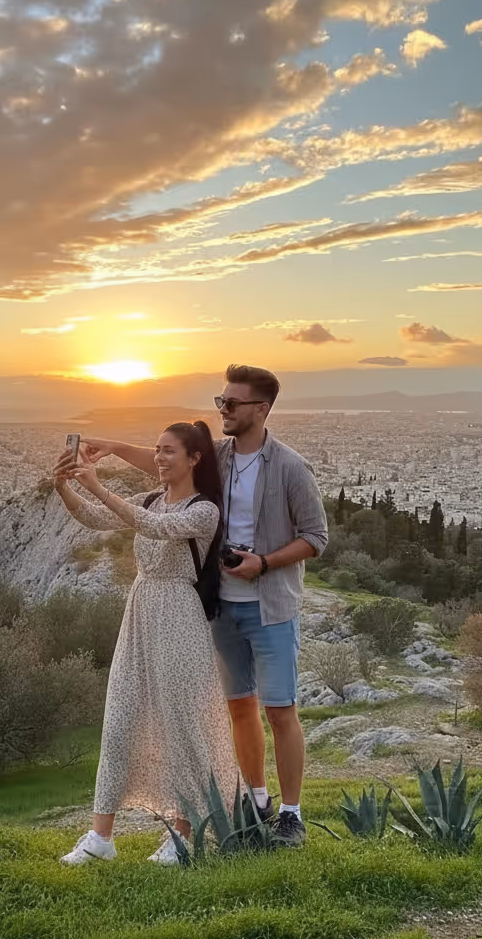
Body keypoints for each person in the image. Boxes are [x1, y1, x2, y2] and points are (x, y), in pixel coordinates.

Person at [81, 365, 328, 847]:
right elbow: (163, 462)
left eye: (231, 404)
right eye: (221, 402)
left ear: (262, 408)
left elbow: (316, 537)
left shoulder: (291, 467)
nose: (223, 411)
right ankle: (256, 799)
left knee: (281, 710)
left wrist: (264, 562)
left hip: (271, 605)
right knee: (239, 708)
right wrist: (110, 446)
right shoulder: (219, 456)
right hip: (217, 606)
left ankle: (291, 813)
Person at [53, 421, 240, 866]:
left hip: (179, 615)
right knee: (119, 719)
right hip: (140, 612)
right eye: (155, 450)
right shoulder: (153, 497)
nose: (158, 458)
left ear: (194, 458)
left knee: (182, 724)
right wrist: (62, 485)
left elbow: (154, 527)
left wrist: (99, 485)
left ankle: (184, 833)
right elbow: (93, 518)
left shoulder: (205, 510)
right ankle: (101, 838)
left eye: (168, 451)